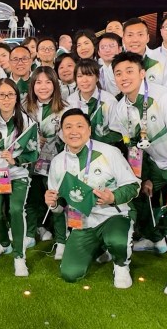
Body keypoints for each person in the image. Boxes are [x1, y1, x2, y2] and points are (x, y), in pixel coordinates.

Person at [45, 109, 140, 286]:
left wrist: (112, 197)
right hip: (82, 223)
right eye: (68, 127)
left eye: (79, 126)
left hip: (113, 215)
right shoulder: (58, 162)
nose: (74, 131)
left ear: (89, 130)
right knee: (70, 274)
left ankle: (121, 265)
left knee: (116, 240)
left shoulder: (109, 152)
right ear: (62, 132)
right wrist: (52, 203)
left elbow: (133, 186)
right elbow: (58, 207)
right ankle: (100, 247)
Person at [107, 52, 167, 255]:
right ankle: (153, 236)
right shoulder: (121, 108)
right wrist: (144, 177)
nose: (124, 77)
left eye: (129, 71)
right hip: (154, 163)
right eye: (118, 73)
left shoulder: (166, 98)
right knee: (135, 192)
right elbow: (133, 146)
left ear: (142, 73)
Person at [0, 79, 39, 276]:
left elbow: (34, 153)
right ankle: (4, 243)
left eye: (10, 94)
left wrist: (16, 160)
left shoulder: (28, 122)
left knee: (15, 210)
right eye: (1, 95)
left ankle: (19, 256)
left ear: (17, 97)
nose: (6, 99)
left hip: (19, 174)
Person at [25, 67, 69, 258]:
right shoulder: (24, 106)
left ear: (55, 85)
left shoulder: (65, 109)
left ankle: (61, 241)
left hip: (54, 164)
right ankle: (29, 234)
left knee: (55, 202)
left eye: (48, 82)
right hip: (29, 163)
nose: (43, 87)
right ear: (32, 85)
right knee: (31, 199)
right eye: (38, 82)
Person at [67, 58, 112, 141]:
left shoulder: (109, 100)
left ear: (97, 77)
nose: (84, 80)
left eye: (89, 75)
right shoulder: (70, 101)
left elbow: (117, 131)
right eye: (80, 76)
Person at [122, 18, 167, 87]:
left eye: (140, 34)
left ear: (148, 38)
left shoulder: (164, 62)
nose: (135, 40)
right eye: (130, 35)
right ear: (123, 39)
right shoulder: (117, 64)